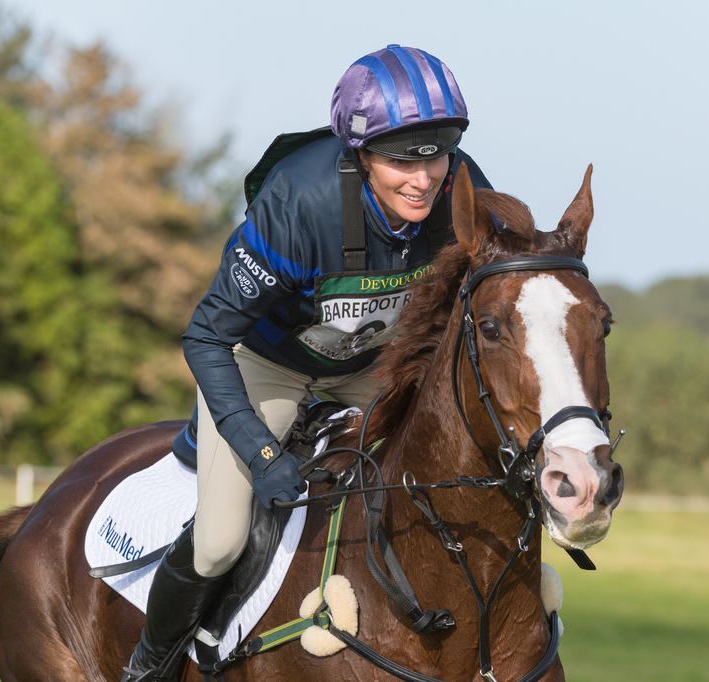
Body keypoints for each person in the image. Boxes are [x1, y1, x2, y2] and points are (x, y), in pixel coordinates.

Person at [121, 44, 491, 681]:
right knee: (218, 541)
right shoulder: (302, 202)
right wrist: (261, 456)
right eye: (403, 156)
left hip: (372, 365)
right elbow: (206, 337)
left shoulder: (464, 190)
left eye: (438, 149)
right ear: (359, 153)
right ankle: (147, 668)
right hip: (268, 363)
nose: (425, 176)